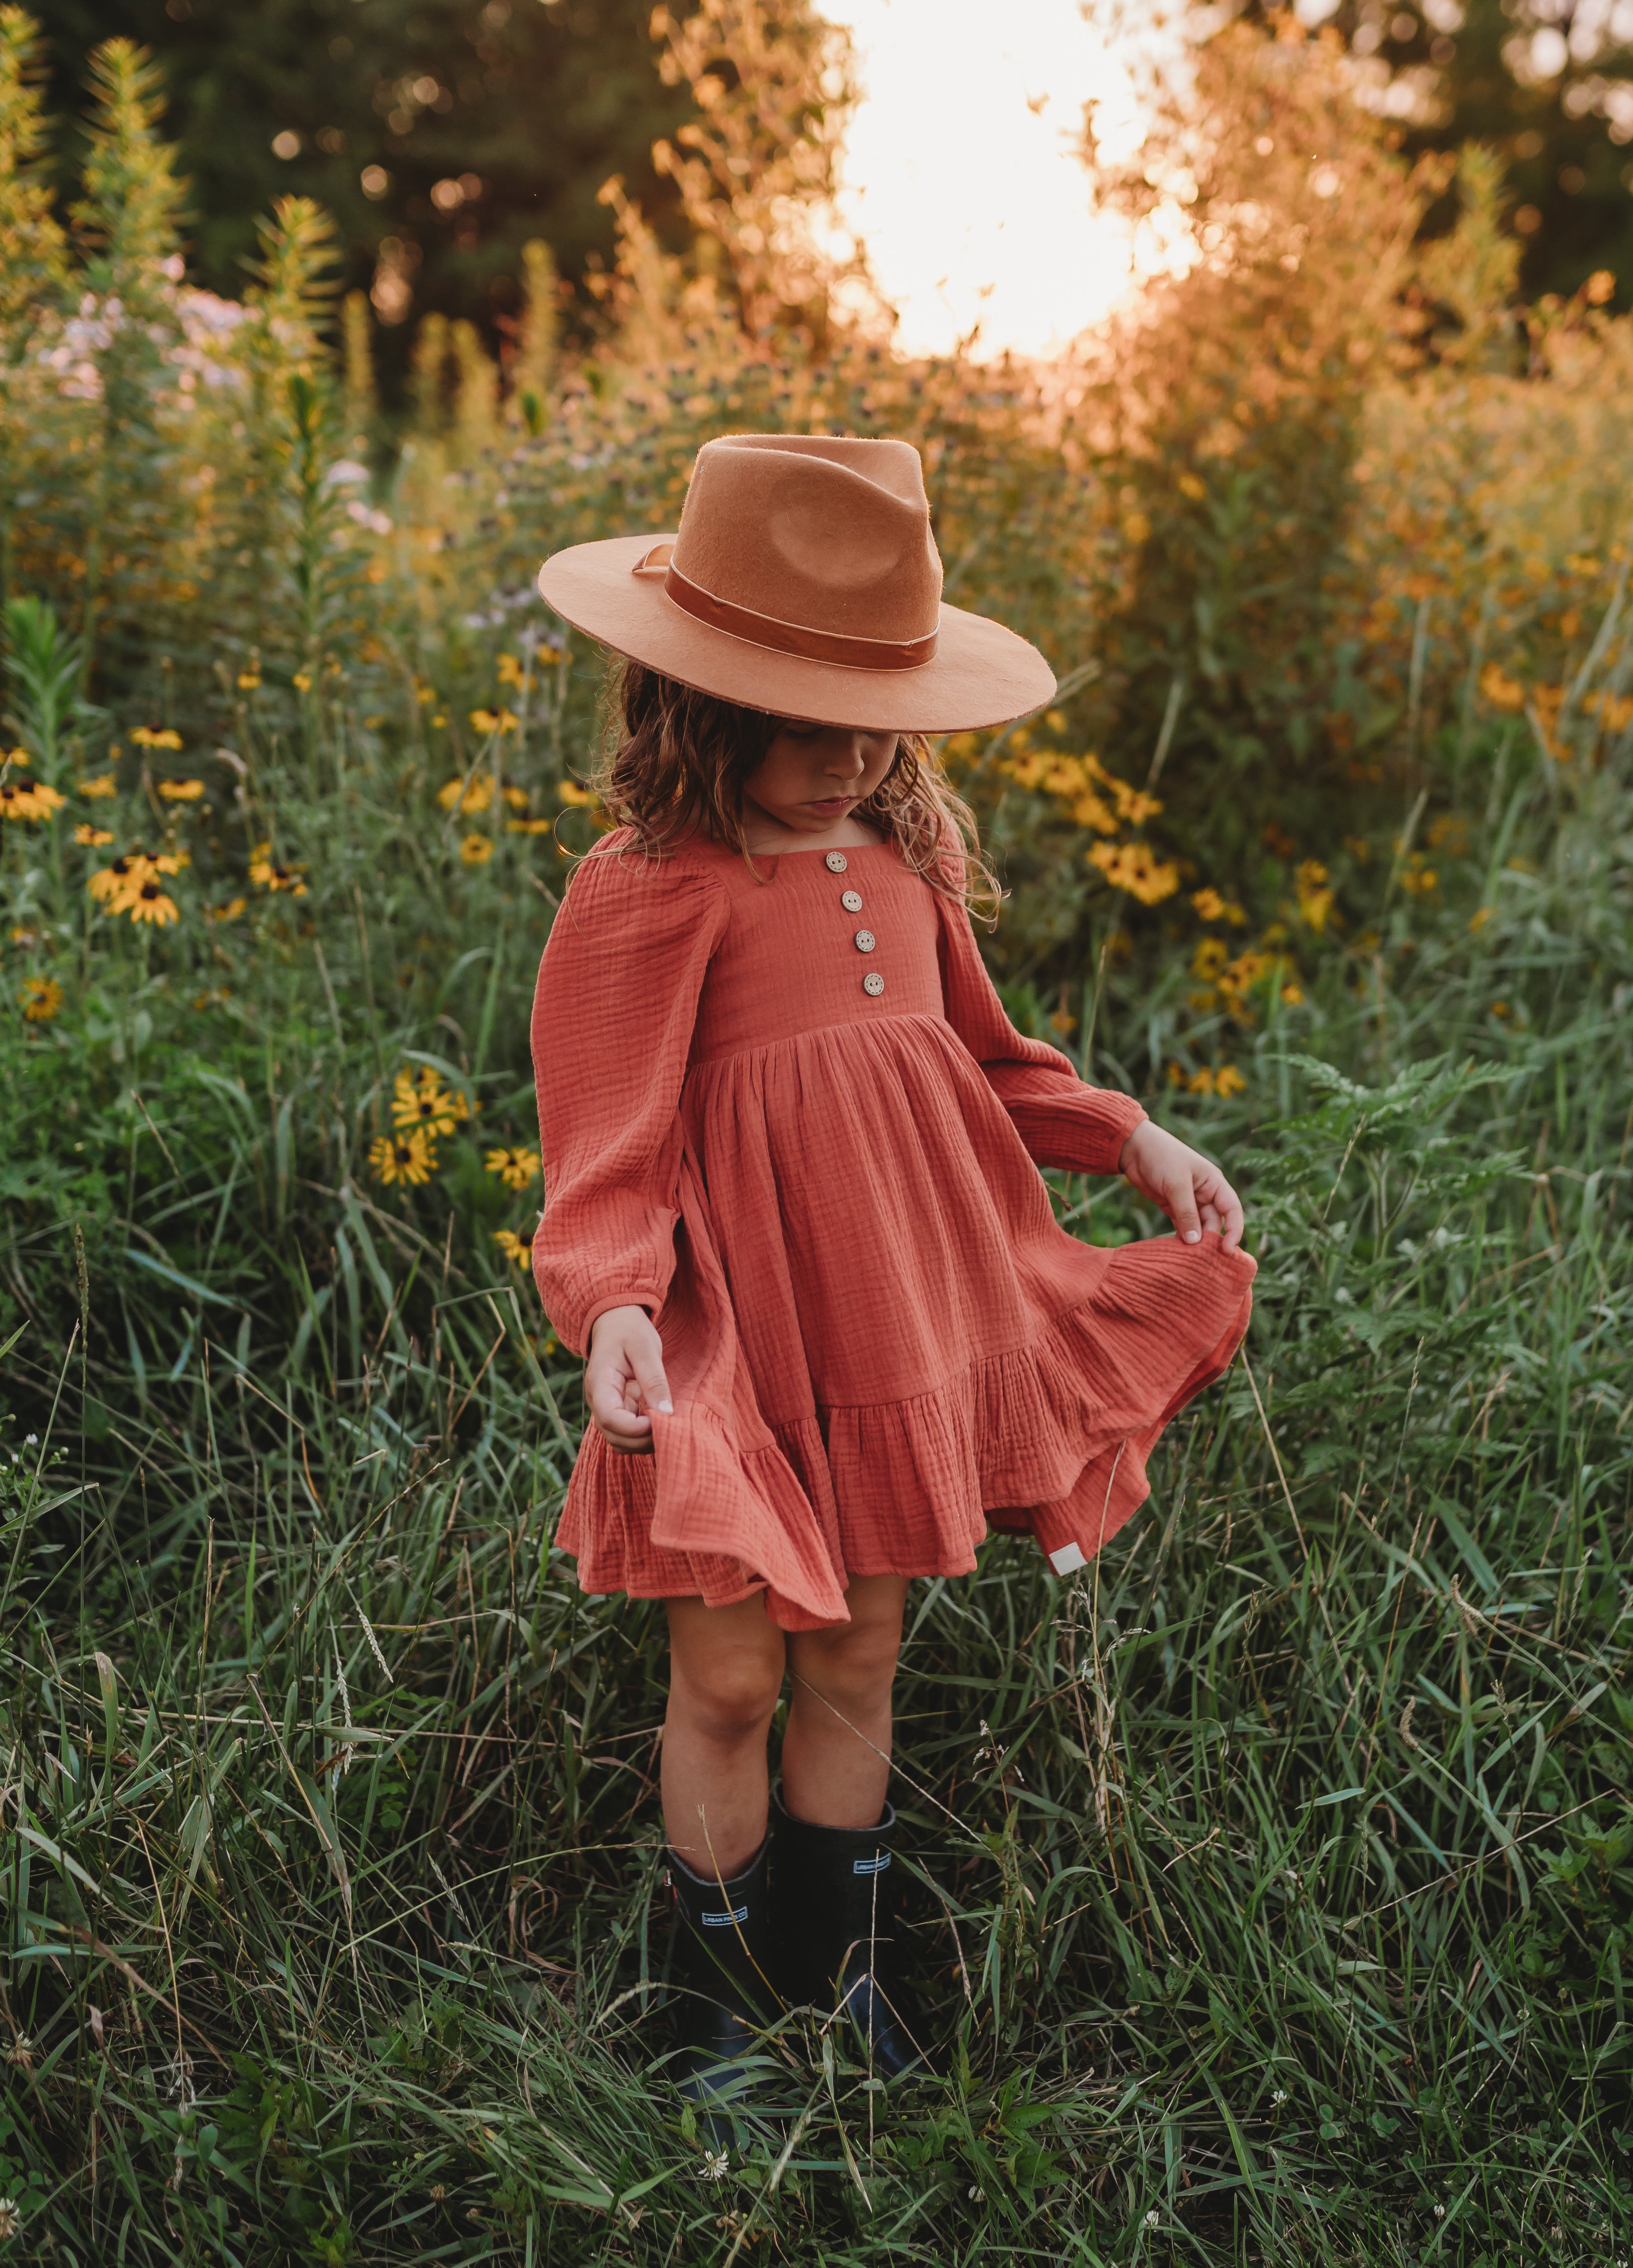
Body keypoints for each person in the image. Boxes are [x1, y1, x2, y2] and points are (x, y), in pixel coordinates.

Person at [529, 433, 1255, 2109]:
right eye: (801, 716)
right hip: (733, 1331)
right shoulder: (642, 894)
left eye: (878, 721)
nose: (846, 754)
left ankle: (833, 1988)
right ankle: (711, 2017)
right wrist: (615, 1303)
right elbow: (603, 1142)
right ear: (699, 702)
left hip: (900, 1319)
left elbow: (986, 1061)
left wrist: (1130, 1138)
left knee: (858, 1654)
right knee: (725, 1669)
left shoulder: (904, 868)